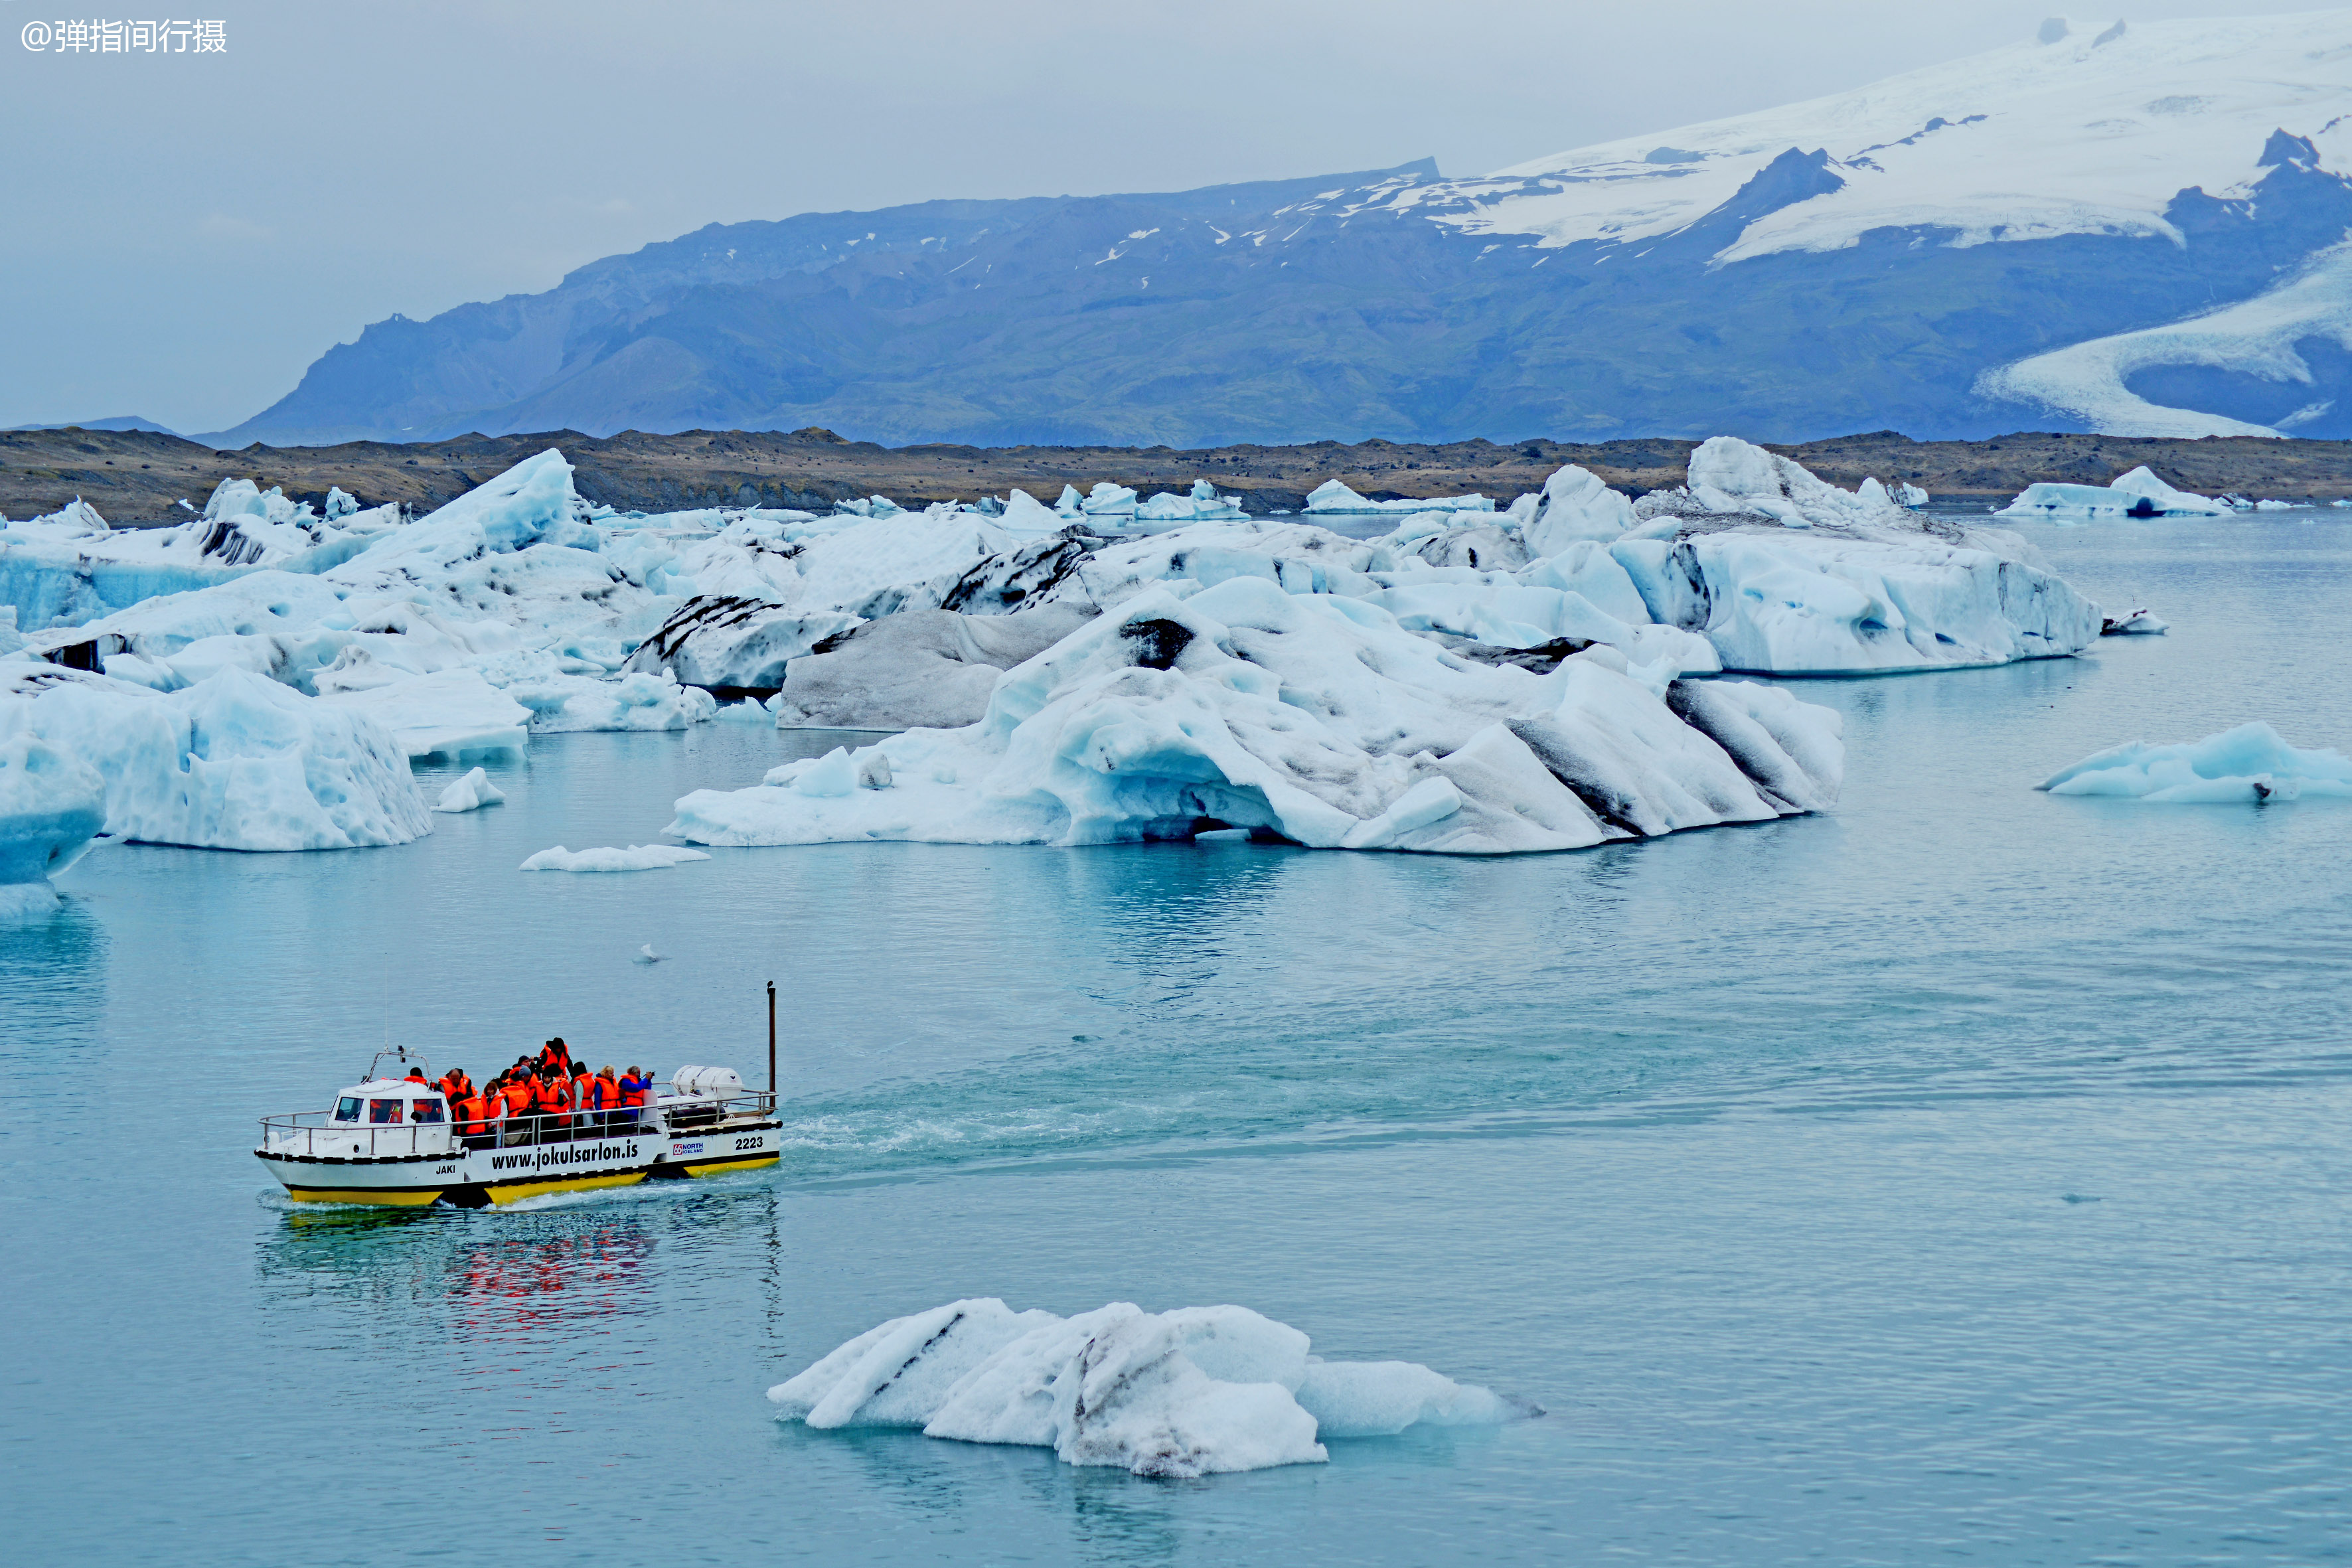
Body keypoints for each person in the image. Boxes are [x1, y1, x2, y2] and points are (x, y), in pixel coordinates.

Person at [593, 1064, 620, 1131]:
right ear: (606, 1073)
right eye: (611, 1073)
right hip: (606, 1113)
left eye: (613, 1073)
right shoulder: (599, 1084)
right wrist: (601, 1116)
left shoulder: (613, 1082)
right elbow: (597, 1101)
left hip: (615, 1111)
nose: (613, 1075)